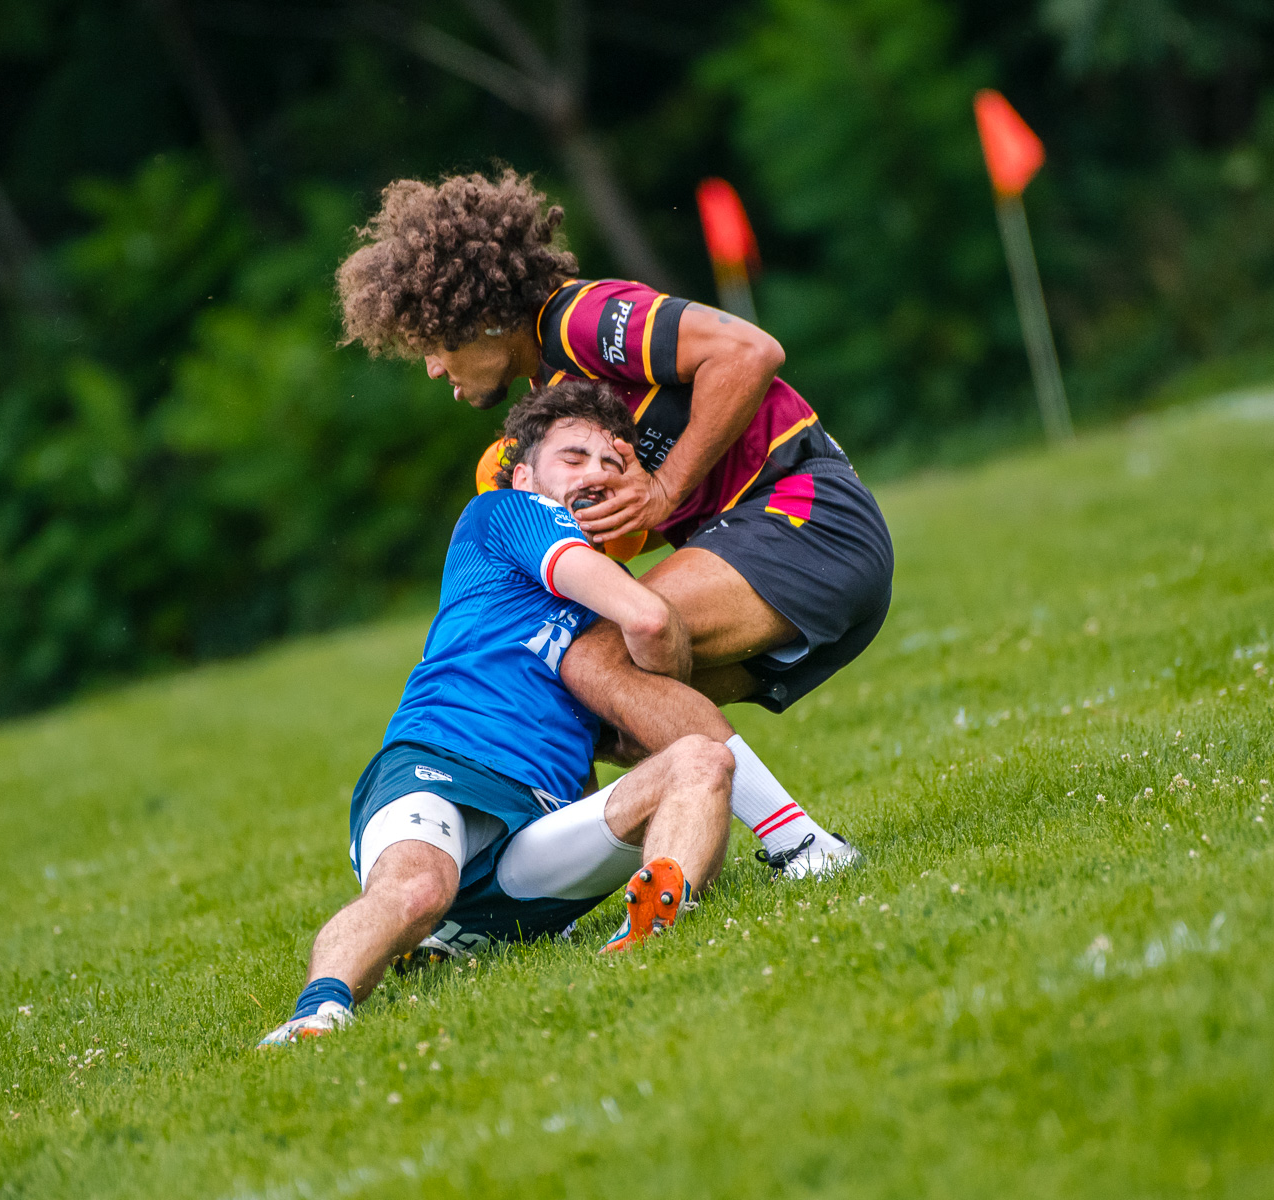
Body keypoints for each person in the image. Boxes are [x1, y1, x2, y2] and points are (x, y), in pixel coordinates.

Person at [336, 169, 894, 877]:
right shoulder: (548, 406)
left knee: (594, 656)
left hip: (808, 516)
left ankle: (803, 847)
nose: (429, 366)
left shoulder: (580, 320)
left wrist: (663, 492)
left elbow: (749, 352)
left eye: (432, 341)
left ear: (478, 320)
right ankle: (635, 883)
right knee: (581, 708)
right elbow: (622, 543)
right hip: (767, 548)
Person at [261, 383, 742, 1045]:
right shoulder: (507, 512)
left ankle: (651, 930)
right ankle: (315, 1013)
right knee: (418, 889)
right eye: (575, 458)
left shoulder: (595, 607)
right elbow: (651, 619)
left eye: (615, 464)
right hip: (442, 763)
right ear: (525, 474)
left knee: (700, 760)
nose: (598, 474)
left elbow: (635, 737)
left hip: (537, 835)